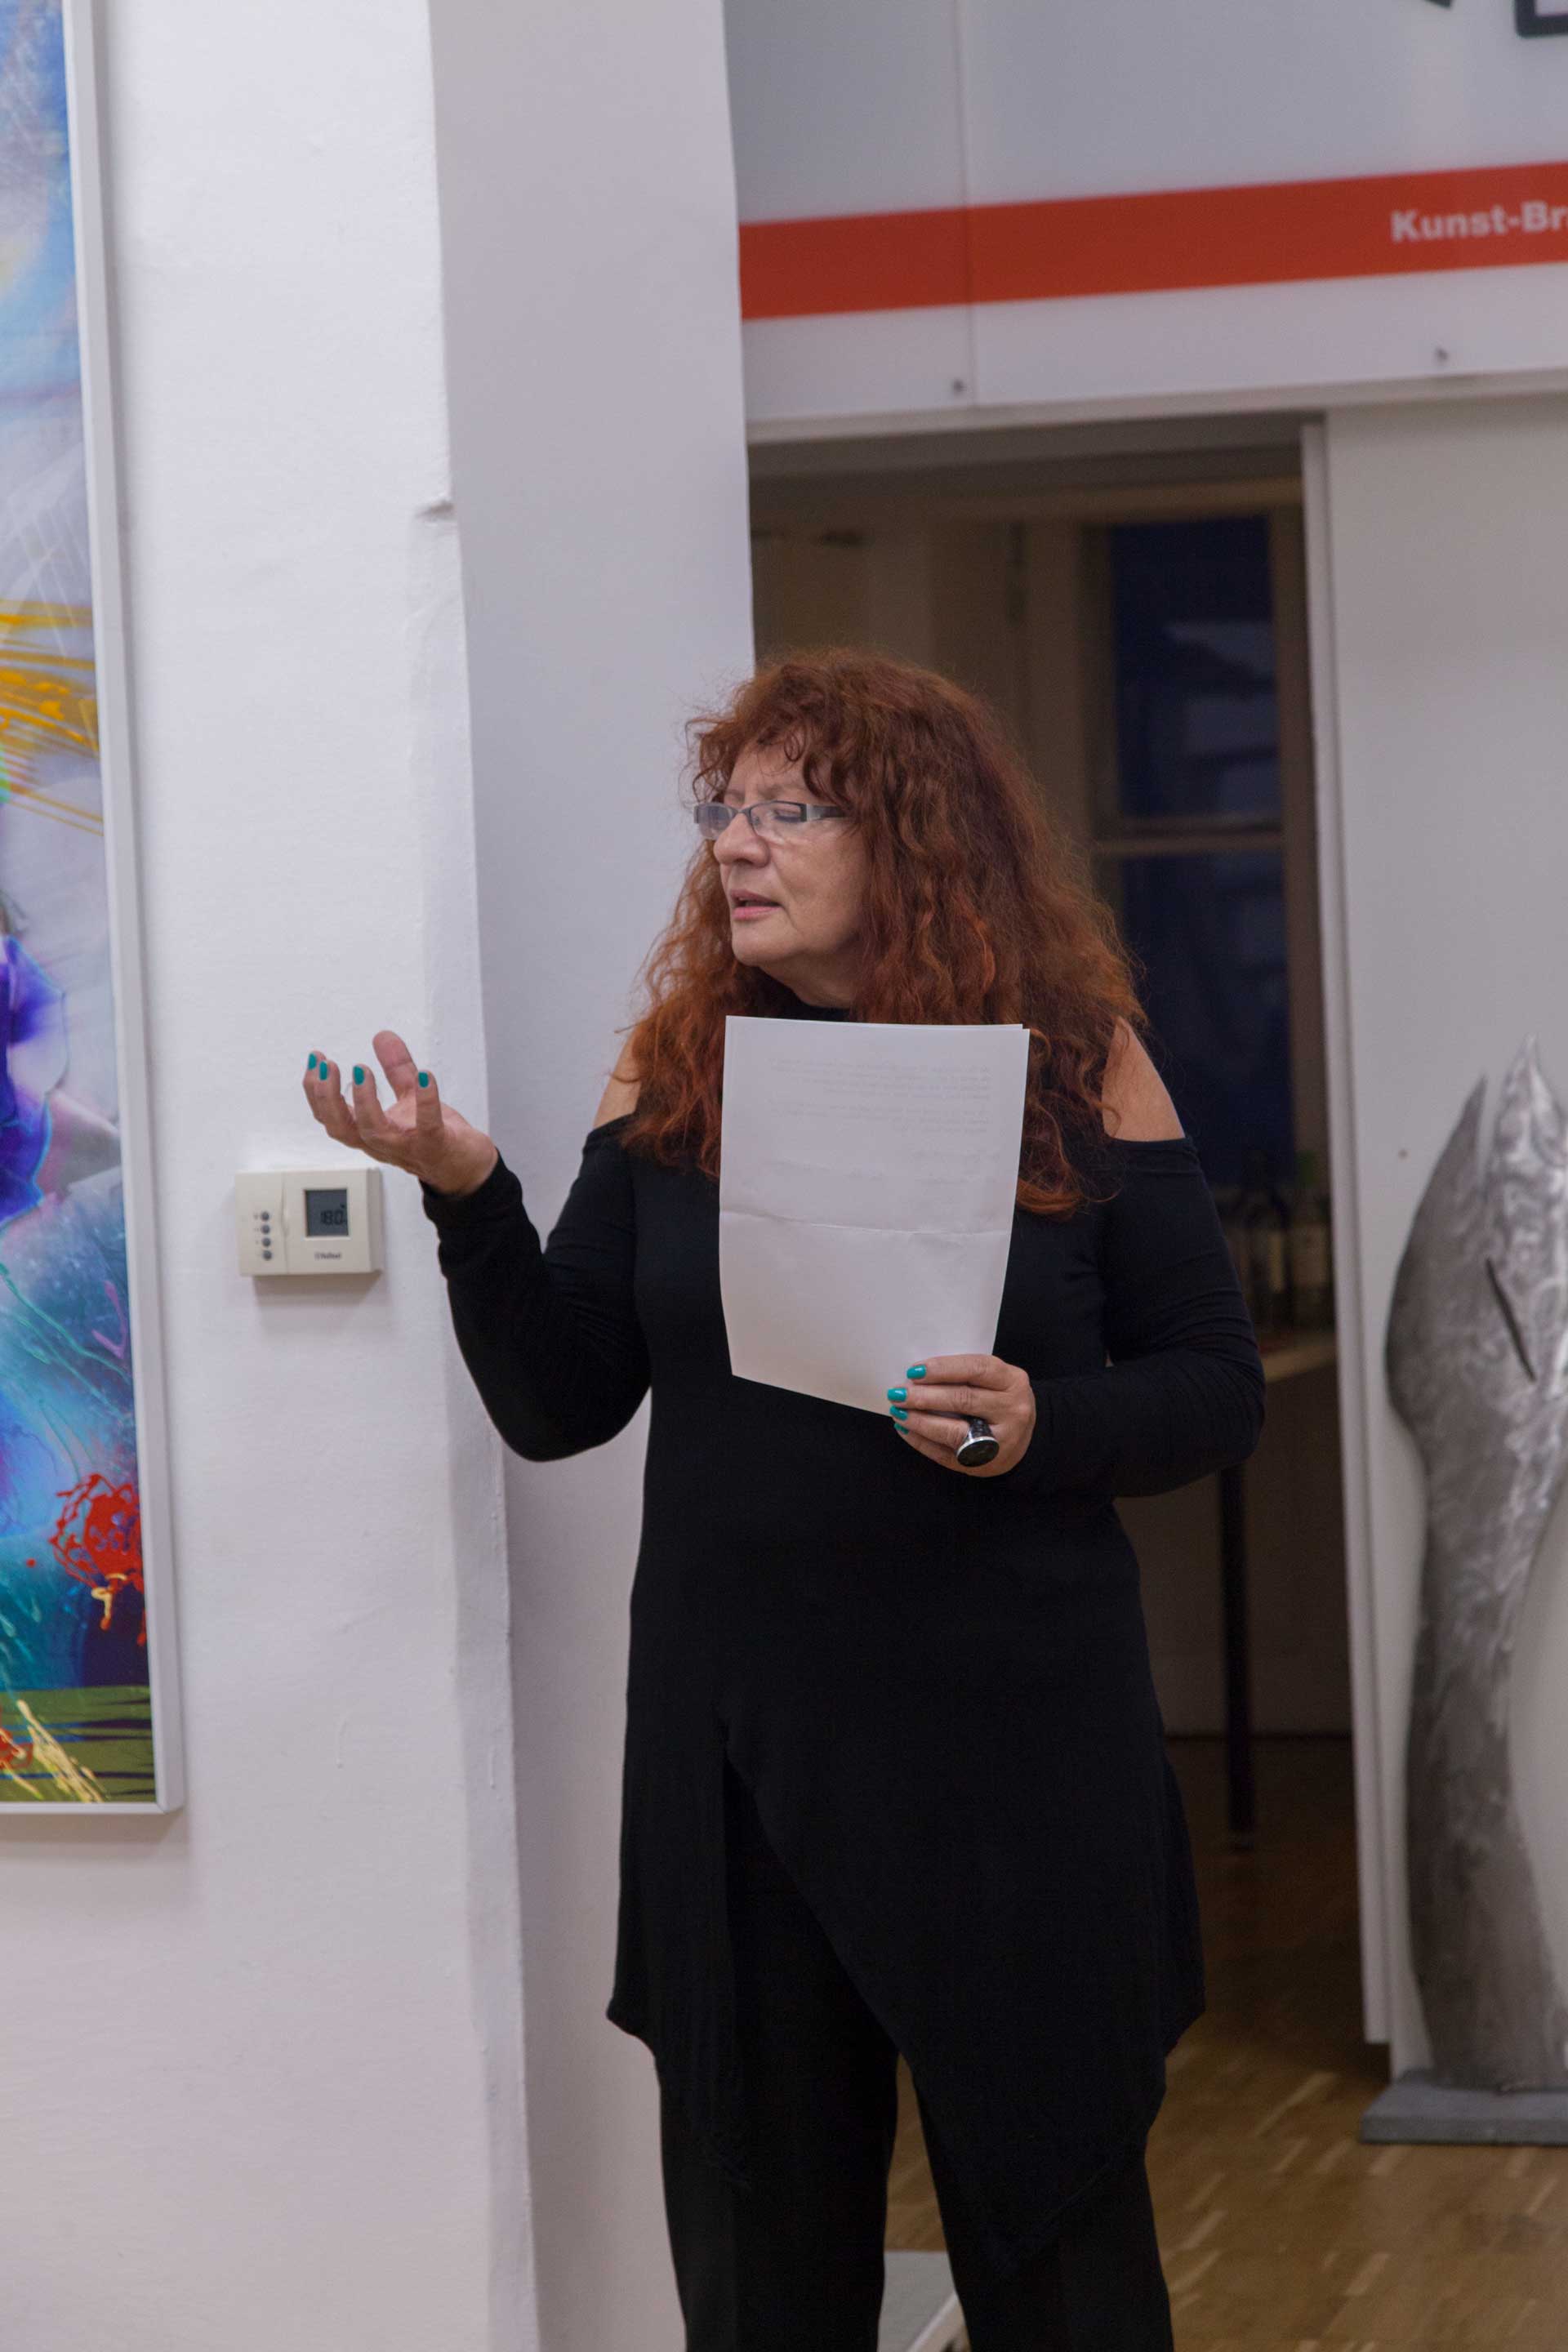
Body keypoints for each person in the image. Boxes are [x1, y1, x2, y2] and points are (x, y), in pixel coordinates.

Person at [301, 649, 1265, 2350]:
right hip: (741, 1756)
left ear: (915, 837)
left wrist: (1044, 1420)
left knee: (1063, 2266)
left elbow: (1211, 1383)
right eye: (725, 810)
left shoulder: (1074, 1064)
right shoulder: (677, 1069)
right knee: (763, 2278)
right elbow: (560, 1399)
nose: (737, 845)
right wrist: (468, 1193)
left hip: (1014, 1760)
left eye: (792, 810)